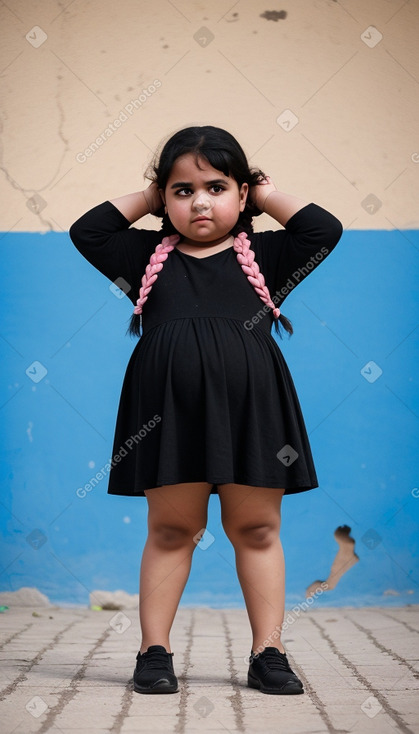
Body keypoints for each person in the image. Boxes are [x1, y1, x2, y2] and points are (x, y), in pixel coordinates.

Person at [69, 125, 343, 696]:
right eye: (182, 190)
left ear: (241, 194)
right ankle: (154, 651)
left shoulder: (268, 255)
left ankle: (269, 651)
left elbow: (324, 228)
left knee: (258, 527)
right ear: (164, 199)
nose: (199, 201)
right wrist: (149, 195)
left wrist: (261, 193)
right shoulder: (141, 254)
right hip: (166, 411)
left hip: (253, 410)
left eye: (217, 187)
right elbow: (87, 230)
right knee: (172, 529)